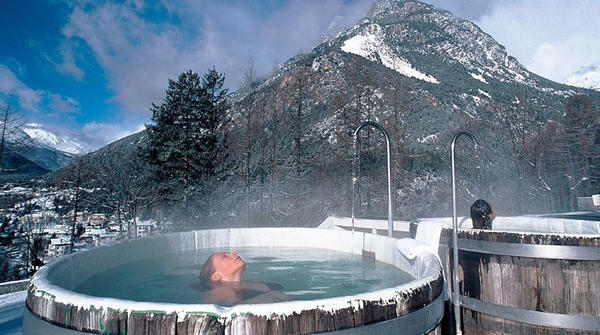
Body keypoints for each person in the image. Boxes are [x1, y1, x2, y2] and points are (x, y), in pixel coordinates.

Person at [196, 251, 290, 305]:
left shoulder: (254, 283)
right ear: (216, 276)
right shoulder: (217, 292)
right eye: (225, 256)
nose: (234, 253)